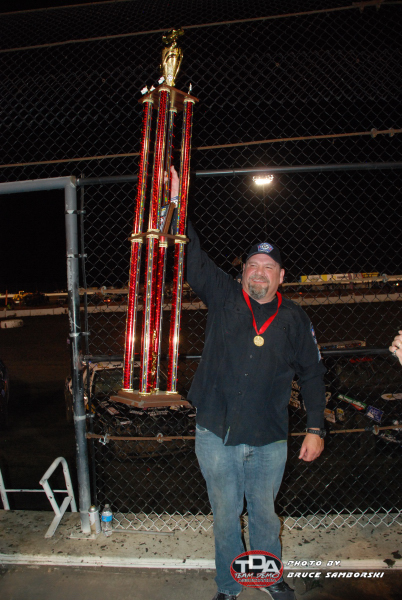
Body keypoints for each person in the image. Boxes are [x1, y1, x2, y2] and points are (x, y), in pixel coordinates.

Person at [170, 168, 326, 600]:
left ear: (281, 276)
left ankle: (268, 577)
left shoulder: (294, 318)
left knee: (263, 515)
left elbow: (313, 373)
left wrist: (315, 428)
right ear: (242, 272)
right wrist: (177, 204)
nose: (259, 273)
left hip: (269, 436)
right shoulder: (223, 295)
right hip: (215, 431)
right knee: (225, 516)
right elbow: (192, 255)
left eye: (268, 267)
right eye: (252, 266)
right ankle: (229, 585)